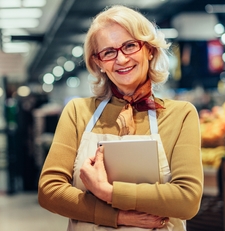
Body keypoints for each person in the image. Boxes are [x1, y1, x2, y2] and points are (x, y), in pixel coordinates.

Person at [38, 4, 203, 231]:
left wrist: (108, 192)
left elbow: (187, 200)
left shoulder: (181, 114)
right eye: (108, 52)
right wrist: (119, 217)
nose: (122, 59)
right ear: (98, 63)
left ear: (149, 50)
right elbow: (49, 191)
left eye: (130, 46)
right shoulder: (77, 112)